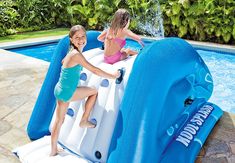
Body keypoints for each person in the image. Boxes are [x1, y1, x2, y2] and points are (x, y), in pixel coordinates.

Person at [50, 25, 120, 156]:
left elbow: (63, 61)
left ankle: (53, 150)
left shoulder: (72, 52)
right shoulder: (76, 54)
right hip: (67, 92)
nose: (81, 40)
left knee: (59, 121)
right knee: (93, 91)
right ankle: (84, 119)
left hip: (60, 89)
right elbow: (94, 70)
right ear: (71, 39)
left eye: (83, 36)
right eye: (77, 37)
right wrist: (113, 76)